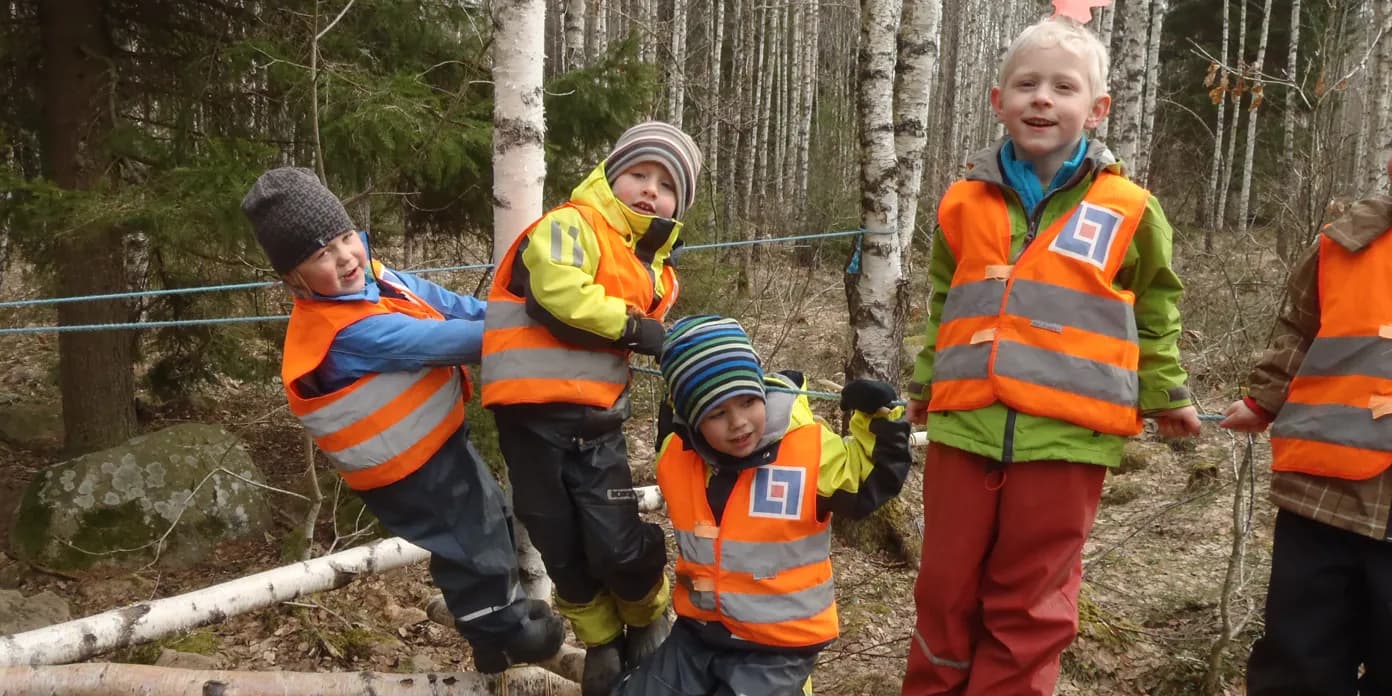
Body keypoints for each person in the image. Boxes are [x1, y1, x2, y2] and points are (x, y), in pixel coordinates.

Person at [898, 15, 1201, 696]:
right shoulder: (961, 201)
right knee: (944, 588)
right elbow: (945, 302)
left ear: (1096, 110)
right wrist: (926, 385)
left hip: (1069, 440)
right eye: (1027, 84)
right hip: (963, 429)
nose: (1042, 98)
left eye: (1063, 87)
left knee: (1029, 601)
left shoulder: (1128, 207)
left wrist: (1168, 393)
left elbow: (1155, 308)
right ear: (996, 99)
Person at [241, 166, 563, 674]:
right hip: (406, 473)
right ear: (293, 278)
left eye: (347, 237)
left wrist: (515, 314)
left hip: (437, 443)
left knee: (492, 516)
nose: (346, 256)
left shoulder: (379, 278)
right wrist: (542, 328)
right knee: (471, 542)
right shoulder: (344, 334)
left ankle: (494, 635)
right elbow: (445, 342)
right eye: (321, 254)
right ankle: (507, 634)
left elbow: (453, 308)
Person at [480, 121, 702, 696]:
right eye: (639, 174)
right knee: (558, 543)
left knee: (616, 540)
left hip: (596, 426)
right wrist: (632, 326)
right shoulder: (570, 224)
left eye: (665, 185)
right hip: (528, 423)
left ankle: (647, 618)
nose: (650, 191)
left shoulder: (657, 270)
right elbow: (556, 289)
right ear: (611, 175)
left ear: (680, 202)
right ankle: (601, 639)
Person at [611, 314, 913, 696]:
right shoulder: (675, 456)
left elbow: (871, 477)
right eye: (717, 413)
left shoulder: (807, 452)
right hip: (698, 634)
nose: (739, 423)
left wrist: (879, 419)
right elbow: (670, 425)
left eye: (748, 401)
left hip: (779, 644)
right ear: (692, 419)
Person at [1219, 156, 1392, 695]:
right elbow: (1298, 330)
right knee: (1300, 658)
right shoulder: (1344, 244)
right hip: (1323, 494)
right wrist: (1263, 400)